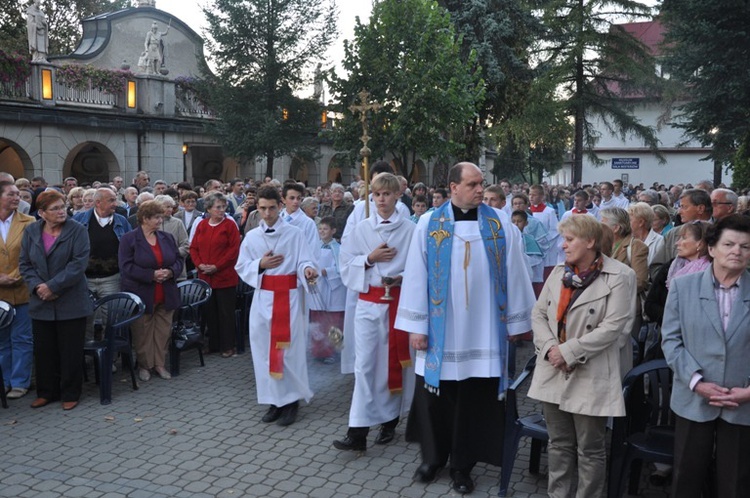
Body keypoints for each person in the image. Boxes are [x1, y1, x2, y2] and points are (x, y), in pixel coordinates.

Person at [395, 162, 535, 494]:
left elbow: (516, 272)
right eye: (472, 184)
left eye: (481, 184)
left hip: (485, 329)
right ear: (453, 187)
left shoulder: (500, 223)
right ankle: (432, 458)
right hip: (441, 331)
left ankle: (462, 465)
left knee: (473, 400)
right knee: (436, 398)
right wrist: (417, 326)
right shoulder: (430, 223)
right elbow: (416, 275)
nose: (479, 190)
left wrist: (518, 322)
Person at [528, 215, 636, 498]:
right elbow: (538, 314)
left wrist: (569, 352)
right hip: (554, 368)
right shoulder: (558, 272)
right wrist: (553, 348)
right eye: (563, 239)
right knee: (559, 443)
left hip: (592, 372)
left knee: (590, 449)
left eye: (569, 239)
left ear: (590, 241)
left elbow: (614, 327)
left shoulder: (621, 276)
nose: (563, 246)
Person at [661, 215, 750, 497]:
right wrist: (697, 382)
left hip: (743, 402)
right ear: (711, 248)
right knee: (686, 476)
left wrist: (748, 392)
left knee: (735, 482)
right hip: (693, 397)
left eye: (746, 246)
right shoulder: (683, 286)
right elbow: (671, 341)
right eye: (729, 244)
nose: (737, 251)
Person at [334, 173, 415, 452]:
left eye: (387, 194)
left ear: (397, 196)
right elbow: (345, 264)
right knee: (365, 366)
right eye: (377, 195)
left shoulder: (410, 230)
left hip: (398, 307)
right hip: (368, 307)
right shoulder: (362, 229)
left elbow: (419, 268)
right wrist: (370, 258)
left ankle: (390, 421)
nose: (382, 199)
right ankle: (357, 431)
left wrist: (401, 277)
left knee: (393, 365)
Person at [235, 186, 317, 427]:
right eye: (262, 208)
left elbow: (305, 260)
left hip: (290, 298)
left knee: (288, 351)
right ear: (257, 208)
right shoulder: (252, 237)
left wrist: (308, 270)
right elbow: (242, 266)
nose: (268, 213)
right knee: (263, 352)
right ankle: (274, 401)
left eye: (272, 207)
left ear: (280, 206)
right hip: (263, 298)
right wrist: (260, 263)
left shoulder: (294, 234)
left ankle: (291, 402)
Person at [19, 190, 93, 410]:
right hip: (41, 302)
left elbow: (78, 264)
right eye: (55, 208)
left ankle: (70, 392)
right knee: (44, 350)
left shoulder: (77, 230)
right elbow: (25, 264)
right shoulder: (31, 231)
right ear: (41, 213)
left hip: (70, 300)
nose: (62, 212)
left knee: (70, 350)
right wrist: (38, 287)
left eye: (63, 207)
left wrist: (52, 286)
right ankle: (47, 392)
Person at [119, 200, 182, 382]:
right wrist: (151, 275)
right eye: (156, 217)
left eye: (161, 217)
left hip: (166, 291)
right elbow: (126, 266)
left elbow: (178, 260)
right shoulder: (129, 239)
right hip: (142, 292)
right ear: (144, 219)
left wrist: (170, 272)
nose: (160, 221)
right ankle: (144, 365)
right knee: (142, 331)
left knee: (163, 331)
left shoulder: (167, 237)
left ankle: (160, 364)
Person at [189, 192, 240, 357]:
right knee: (209, 312)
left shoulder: (229, 225)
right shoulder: (202, 225)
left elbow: (233, 250)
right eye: (218, 207)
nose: (222, 210)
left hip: (224, 276)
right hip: (205, 276)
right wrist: (199, 264)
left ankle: (227, 346)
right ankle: (213, 344)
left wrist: (217, 266)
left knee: (225, 313)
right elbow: (194, 247)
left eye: (224, 206)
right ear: (209, 208)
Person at [0, 181, 35, 399]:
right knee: (2, 340)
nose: (17, 198)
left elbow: (35, 255)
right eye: (11, 194)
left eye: (18, 194)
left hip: (22, 289)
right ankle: (3, 381)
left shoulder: (29, 222)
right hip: (0, 294)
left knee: (22, 338)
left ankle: (20, 382)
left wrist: (17, 276)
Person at [308, 217, 345, 364]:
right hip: (318, 287)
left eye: (325, 229)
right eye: (320, 229)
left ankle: (333, 351)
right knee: (318, 321)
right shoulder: (314, 246)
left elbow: (342, 269)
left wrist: (327, 271)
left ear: (333, 231)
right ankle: (318, 351)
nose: (322, 231)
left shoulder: (339, 249)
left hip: (333, 289)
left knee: (333, 322)